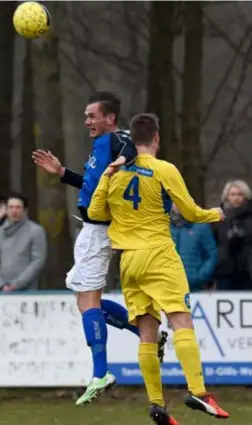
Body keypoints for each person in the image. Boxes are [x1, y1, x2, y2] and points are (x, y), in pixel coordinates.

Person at [88, 113, 229, 425]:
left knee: (147, 333)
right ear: (156, 138)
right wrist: (212, 214)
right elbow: (190, 211)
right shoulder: (164, 169)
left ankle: (156, 404)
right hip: (159, 254)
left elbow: (95, 211)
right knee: (180, 319)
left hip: (128, 261)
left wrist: (108, 181)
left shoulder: (114, 173)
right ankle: (198, 391)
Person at [32, 92, 168, 406]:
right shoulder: (103, 145)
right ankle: (145, 333)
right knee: (85, 303)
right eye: (86, 116)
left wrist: (122, 160)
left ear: (109, 117)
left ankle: (100, 373)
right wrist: (63, 173)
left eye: (92, 116)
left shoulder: (117, 140)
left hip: (98, 231)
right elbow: (95, 186)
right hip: (96, 230)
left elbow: (132, 149)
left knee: (90, 301)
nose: (87, 122)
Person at [0, 193, 47, 291]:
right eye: (11, 207)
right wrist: (0, 285)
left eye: (18, 207)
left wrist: (15, 285)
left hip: (27, 291)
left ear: (24, 210)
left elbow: (38, 261)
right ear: (6, 210)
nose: (14, 211)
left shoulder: (36, 231)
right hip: (1, 291)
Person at [214, 179, 252, 290]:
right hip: (224, 271)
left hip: (247, 272)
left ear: (245, 196)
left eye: (240, 194)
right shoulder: (217, 218)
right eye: (232, 194)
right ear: (226, 197)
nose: (236, 198)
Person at [170, 204, 217, 292]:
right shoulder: (161, 226)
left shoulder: (201, 225)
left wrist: (199, 277)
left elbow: (211, 255)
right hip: (167, 287)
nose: (178, 204)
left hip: (195, 288)